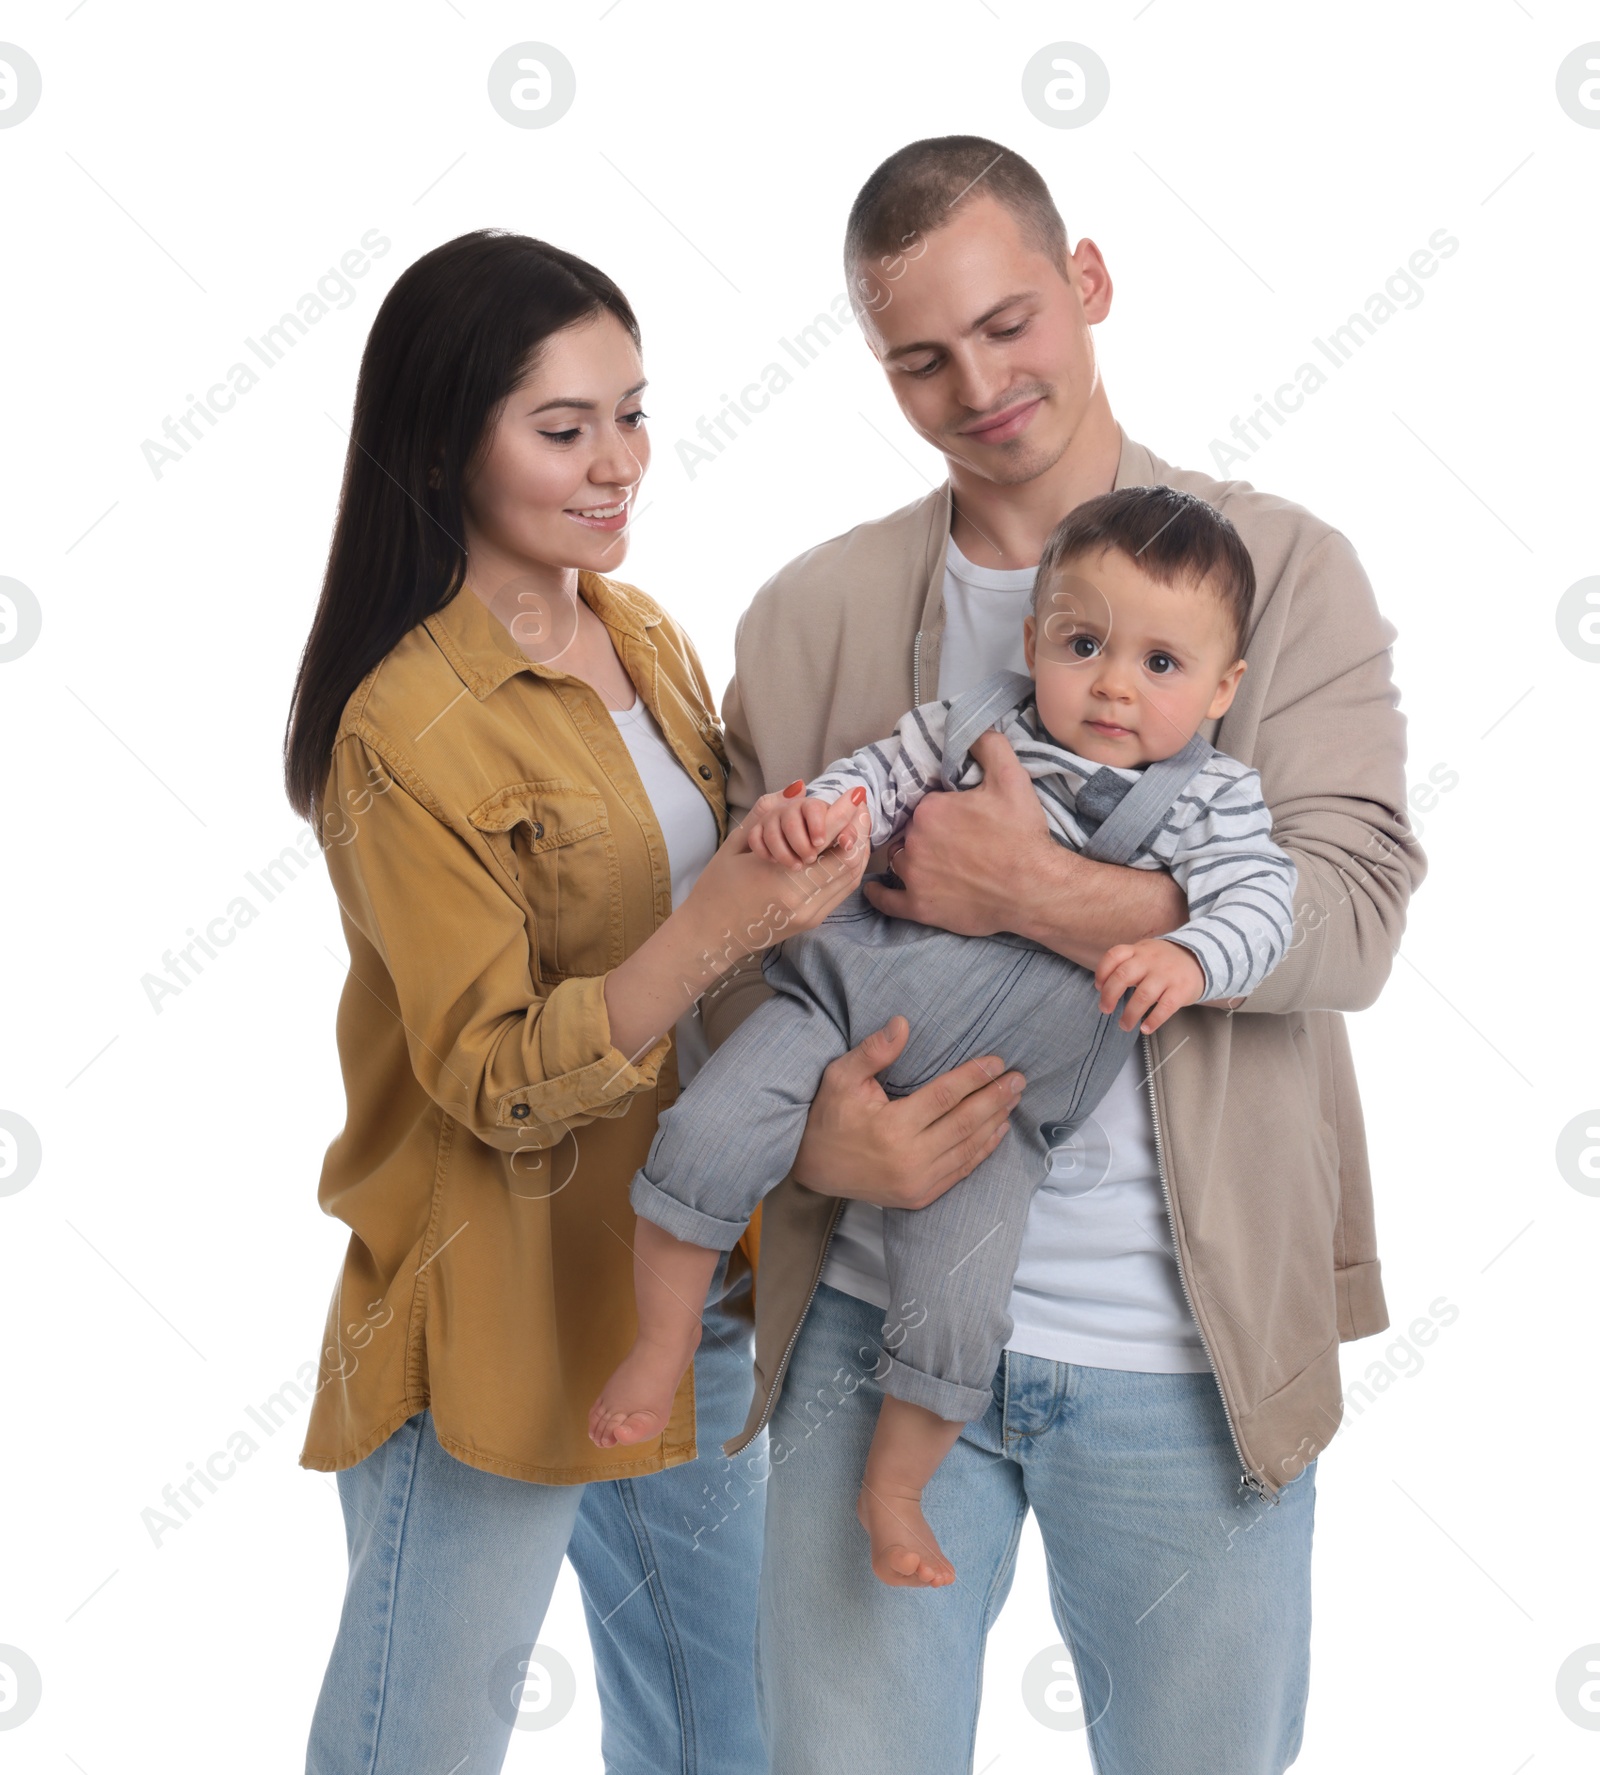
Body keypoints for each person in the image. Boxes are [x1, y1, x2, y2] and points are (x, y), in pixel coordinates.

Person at [705, 138, 1425, 1775]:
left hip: (1184, 1355)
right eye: (922, 358)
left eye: (1011, 322)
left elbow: (1355, 912)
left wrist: (1037, 893)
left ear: (1087, 285)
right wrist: (810, 1130)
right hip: (875, 1334)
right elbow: (738, 960)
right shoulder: (807, 617)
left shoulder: (1284, 573)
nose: (981, 385)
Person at [283, 229, 867, 1775]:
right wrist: (717, 918)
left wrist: (789, 858)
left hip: (685, 1284)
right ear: (441, 439)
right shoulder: (398, 726)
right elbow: (486, 1071)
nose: (618, 463)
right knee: (416, 1746)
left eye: (631, 411)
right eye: (563, 428)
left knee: (733, 1731)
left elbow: (730, 930)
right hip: (497, 1303)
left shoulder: (646, 634)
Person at [591, 487, 1297, 1593]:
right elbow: (864, 780)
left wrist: (1192, 956)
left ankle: (896, 1487)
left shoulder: (1214, 802)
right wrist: (815, 813)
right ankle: (661, 1339)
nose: (1113, 682)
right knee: (707, 1127)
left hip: (997, 1107)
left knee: (960, 1299)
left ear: (1223, 688)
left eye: (1162, 665)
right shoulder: (971, 723)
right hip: (831, 1013)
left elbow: (1266, 905)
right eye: (1083, 644)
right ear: (1031, 642)